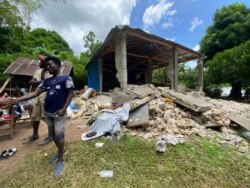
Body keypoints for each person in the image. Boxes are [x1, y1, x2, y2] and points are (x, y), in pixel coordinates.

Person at [16, 56, 74, 177]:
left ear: (58, 65)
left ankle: (60, 159)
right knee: (52, 135)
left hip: (59, 113)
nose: (48, 67)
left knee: (59, 134)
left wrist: (63, 109)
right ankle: (61, 150)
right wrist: (17, 99)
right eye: (47, 65)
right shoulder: (46, 81)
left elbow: (70, 94)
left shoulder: (66, 78)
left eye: (50, 65)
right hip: (48, 111)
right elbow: (35, 93)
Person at [22, 55, 52, 145]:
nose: (39, 63)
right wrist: (43, 82)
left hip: (46, 97)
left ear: (46, 63)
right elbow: (31, 81)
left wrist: (40, 83)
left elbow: (50, 84)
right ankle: (35, 135)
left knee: (47, 117)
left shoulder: (51, 72)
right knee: (35, 117)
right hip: (37, 97)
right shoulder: (38, 71)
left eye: (41, 61)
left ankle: (51, 136)